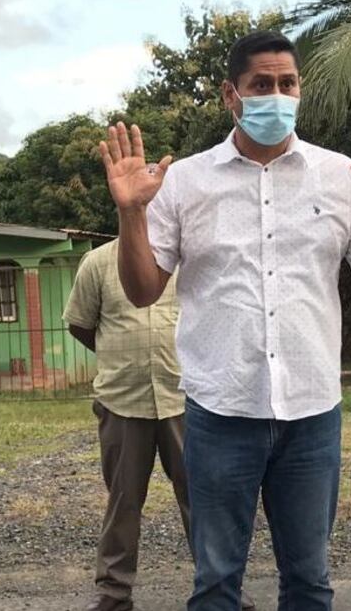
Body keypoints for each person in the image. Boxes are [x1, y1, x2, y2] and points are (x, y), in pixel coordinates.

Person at [99, 31, 351, 611]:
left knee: (309, 581)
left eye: (288, 84)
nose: (276, 96)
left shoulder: (341, 176)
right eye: (262, 85)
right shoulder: (185, 181)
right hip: (219, 412)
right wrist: (132, 213)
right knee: (215, 581)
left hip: (311, 413)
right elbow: (141, 289)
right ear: (232, 95)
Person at [64, 239, 255, 611]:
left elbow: (215, 321)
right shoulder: (99, 262)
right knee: (123, 499)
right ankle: (114, 592)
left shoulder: (191, 259)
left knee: (201, 497)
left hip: (185, 398)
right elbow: (81, 325)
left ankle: (221, 586)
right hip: (122, 400)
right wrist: (121, 357)